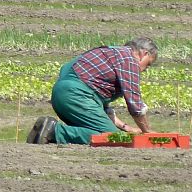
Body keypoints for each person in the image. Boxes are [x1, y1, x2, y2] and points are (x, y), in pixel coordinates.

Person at [27, 37, 158, 145]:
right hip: (77, 95)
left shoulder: (112, 52)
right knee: (113, 138)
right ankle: (54, 132)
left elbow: (99, 110)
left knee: (95, 130)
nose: (146, 69)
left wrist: (127, 128)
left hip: (62, 93)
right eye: (148, 64)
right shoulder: (129, 60)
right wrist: (146, 131)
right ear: (144, 54)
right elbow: (135, 105)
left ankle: (47, 130)